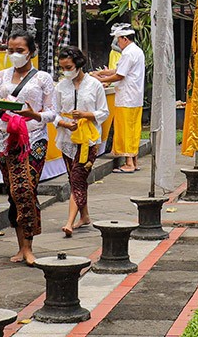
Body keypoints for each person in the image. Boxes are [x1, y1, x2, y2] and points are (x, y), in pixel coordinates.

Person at [0, 31, 56, 265]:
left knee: (26, 189)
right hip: (5, 137)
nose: (14, 54)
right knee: (13, 192)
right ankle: (20, 246)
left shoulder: (43, 79)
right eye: (11, 50)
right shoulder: (0, 76)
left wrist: (34, 114)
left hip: (33, 137)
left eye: (20, 50)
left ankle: (29, 246)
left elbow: (52, 112)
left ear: (31, 51)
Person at [55, 46, 109, 237]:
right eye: (62, 68)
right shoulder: (61, 86)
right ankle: (84, 216)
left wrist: (86, 114)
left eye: (68, 67)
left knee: (77, 178)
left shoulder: (94, 85)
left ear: (78, 64)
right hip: (67, 138)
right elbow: (53, 113)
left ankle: (69, 222)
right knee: (74, 178)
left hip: (90, 139)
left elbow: (104, 111)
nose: (65, 71)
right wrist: (64, 122)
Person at [92, 23, 145, 173]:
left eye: (118, 40)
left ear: (125, 39)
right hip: (135, 96)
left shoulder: (128, 53)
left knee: (125, 129)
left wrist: (100, 80)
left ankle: (128, 163)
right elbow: (119, 70)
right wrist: (103, 74)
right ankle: (133, 160)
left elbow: (120, 75)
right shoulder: (137, 51)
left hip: (127, 97)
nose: (117, 43)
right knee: (133, 128)